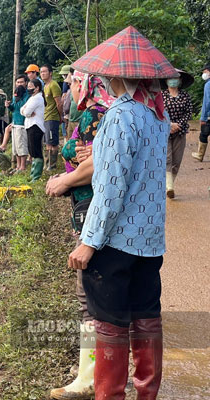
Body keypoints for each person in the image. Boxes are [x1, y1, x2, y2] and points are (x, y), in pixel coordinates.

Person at [69, 25, 178, 400]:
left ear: (113, 74)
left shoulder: (121, 114)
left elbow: (111, 188)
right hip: (149, 241)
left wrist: (88, 242)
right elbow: (138, 168)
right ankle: (147, 393)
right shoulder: (157, 114)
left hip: (116, 241)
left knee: (111, 324)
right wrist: (99, 153)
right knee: (147, 319)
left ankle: (110, 395)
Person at [46, 70, 115, 400]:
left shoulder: (94, 114)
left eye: (74, 81)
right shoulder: (107, 112)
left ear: (87, 86)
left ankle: (90, 377)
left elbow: (97, 163)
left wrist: (66, 180)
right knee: (102, 294)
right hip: (93, 209)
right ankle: (104, 371)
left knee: (88, 293)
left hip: (92, 210)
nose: (70, 87)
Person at [162, 69, 194, 198]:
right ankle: (169, 187)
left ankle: (170, 186)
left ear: (180, 81)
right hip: (165, 130)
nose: (173, 80)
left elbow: (188, 112)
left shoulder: (185, 96)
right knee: (167, 159)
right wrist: (169, 124)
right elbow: (158, 112)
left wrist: (177, 125)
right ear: (166, 80)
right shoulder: (161, 95)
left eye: (176, 78)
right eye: (170, 78)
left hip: (180, 131)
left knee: (177, 160)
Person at [21, 79, 45, 181]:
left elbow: (26, 112)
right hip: (30, 125)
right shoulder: (32, 97)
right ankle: (33, 174)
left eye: (31, 86)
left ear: (37, 88)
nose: (29, 88)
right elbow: (22, 109)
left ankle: (36, 176)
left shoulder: (38, 98)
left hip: (36, 126)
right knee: (32, 150)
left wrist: (26, 112)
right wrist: (26, 111)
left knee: (36, 150)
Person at [2, 84, 30, 172]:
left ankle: (23, 166)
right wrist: (9, 105)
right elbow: (13, 108)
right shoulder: (16, 97)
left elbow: (23, 107)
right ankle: (18, 166)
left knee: (22, 146)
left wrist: (16, 103)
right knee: (16, 148)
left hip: (22, 124)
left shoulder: (27, 97)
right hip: (15, 123)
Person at [41, 64, 63, 170]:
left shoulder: (53, 85)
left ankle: (52, 166)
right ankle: (47, 165)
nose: (42, 74)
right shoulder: (45, 86)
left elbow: (59, 103)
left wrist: (60, 116)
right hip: (46, 117)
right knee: (47, 143)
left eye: (44, 71)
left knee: (53, 142)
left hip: (53, 117)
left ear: (50, 73)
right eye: (41, 72)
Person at [192, 63, 210, 161]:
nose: (203, 73)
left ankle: (200, 154)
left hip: (209, 116)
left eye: (205, 71)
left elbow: (207, 102)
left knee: (203, 134)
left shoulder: (208, 84)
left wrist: (203, 118)